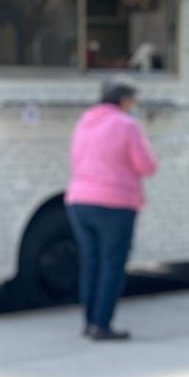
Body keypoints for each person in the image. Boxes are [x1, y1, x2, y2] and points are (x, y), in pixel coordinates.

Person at [66, 79, 158, 340]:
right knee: (112, 265)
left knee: (90, 263)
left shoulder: (84, 121)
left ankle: (88, 321)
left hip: (79, 201)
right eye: (133, 101)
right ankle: (102, 325)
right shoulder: (127, 125)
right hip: (115, 204)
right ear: (125, 100)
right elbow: (146, 165)